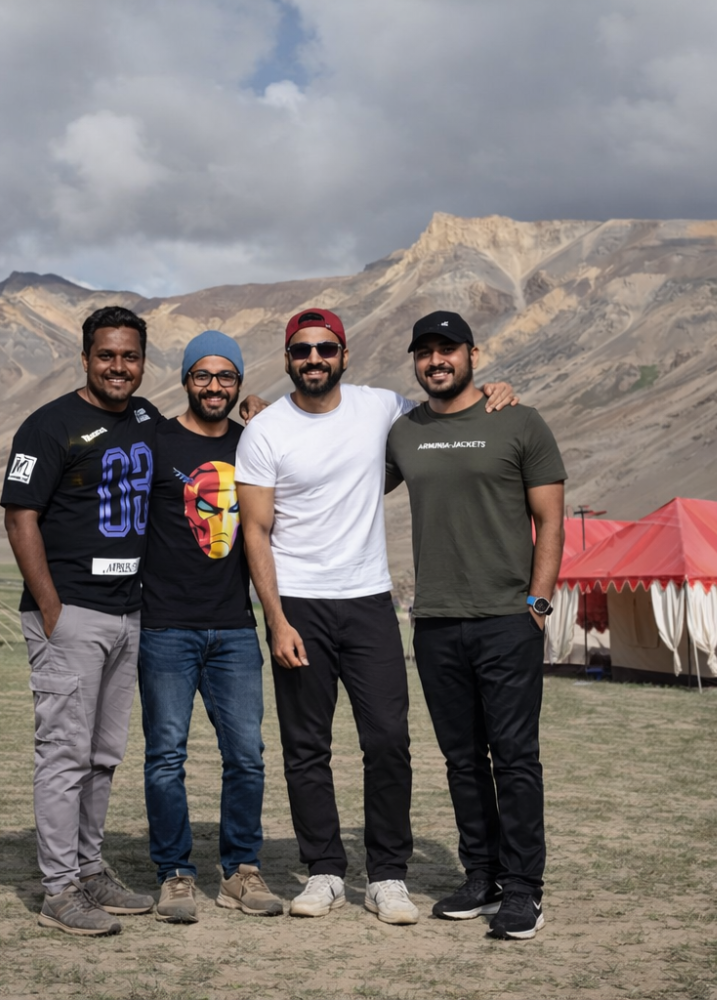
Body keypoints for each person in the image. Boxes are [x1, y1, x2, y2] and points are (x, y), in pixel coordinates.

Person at [235, 307, 514, 925]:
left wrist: (495, 390)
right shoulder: (265, 431)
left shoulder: (382, 408)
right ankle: (324, 871)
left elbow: (449, 406)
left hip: (369, 601)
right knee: (305, 748)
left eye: (325, 349)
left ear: (345, 355)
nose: (314, 360)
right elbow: (255, 531)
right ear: (287, 359)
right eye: (302, 351)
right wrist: (276, 619)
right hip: (299, 602)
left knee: (388, 742)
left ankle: (387, 875)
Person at [384, 310, 565, 941]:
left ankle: (523, 890)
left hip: (506, 619)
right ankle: (481, 875)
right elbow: (334, 472)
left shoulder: (517, 419)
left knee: (514, 758)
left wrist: (538, 605)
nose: (437, 360)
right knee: (462, 759)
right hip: (434, 621)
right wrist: (272, 412)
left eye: (448, 350)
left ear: (473, 354)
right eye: (425, 352)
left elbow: (551, 520)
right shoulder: (404, 432)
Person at [0, 305, 162, 936]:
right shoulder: (48, 426)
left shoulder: (147, 417)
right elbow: (20, 517)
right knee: (64, 754)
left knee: (103, 754)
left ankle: (90, 869)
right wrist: (51, 609)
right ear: (86, 357)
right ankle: (60, 889)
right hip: (71, 614)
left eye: (130, 356)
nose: (118, 367)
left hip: (129, 614)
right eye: (106, 355)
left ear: (142, 361)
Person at [140, 330, 284, 924]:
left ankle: (241, 871)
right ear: (185, 379)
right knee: (165, 756)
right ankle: (175, 874)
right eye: (204, 374)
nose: (215, 386)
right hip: (165, 627)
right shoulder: (155, 440)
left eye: (227, 376)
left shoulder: (255, 443)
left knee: (246, 755)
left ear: (240, 383)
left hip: (234, 628)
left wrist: (270, 419)